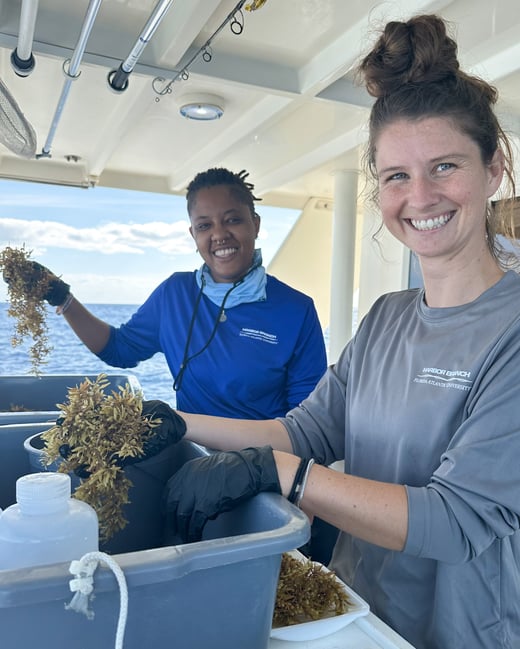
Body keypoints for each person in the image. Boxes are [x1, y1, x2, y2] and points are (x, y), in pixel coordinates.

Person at [156, 14, 520, 649]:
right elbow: (303, 432)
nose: (421, 197)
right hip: (354, 616)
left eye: (445, 167)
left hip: (458, 632)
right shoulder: (385, 318)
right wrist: (172, 424)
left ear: (493, 171)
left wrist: (280, 474)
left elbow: (458, 519)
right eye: (396, 176)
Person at [3, 167, 327, 419]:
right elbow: (119, 349)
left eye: (233, 220)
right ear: (192, 234)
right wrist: (62, 298)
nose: (219, 235)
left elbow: (305, 423)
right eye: (204, 226)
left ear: (255, 224)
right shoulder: (175, 294)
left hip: (266, 472)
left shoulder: (296, 310)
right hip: (193, 463)